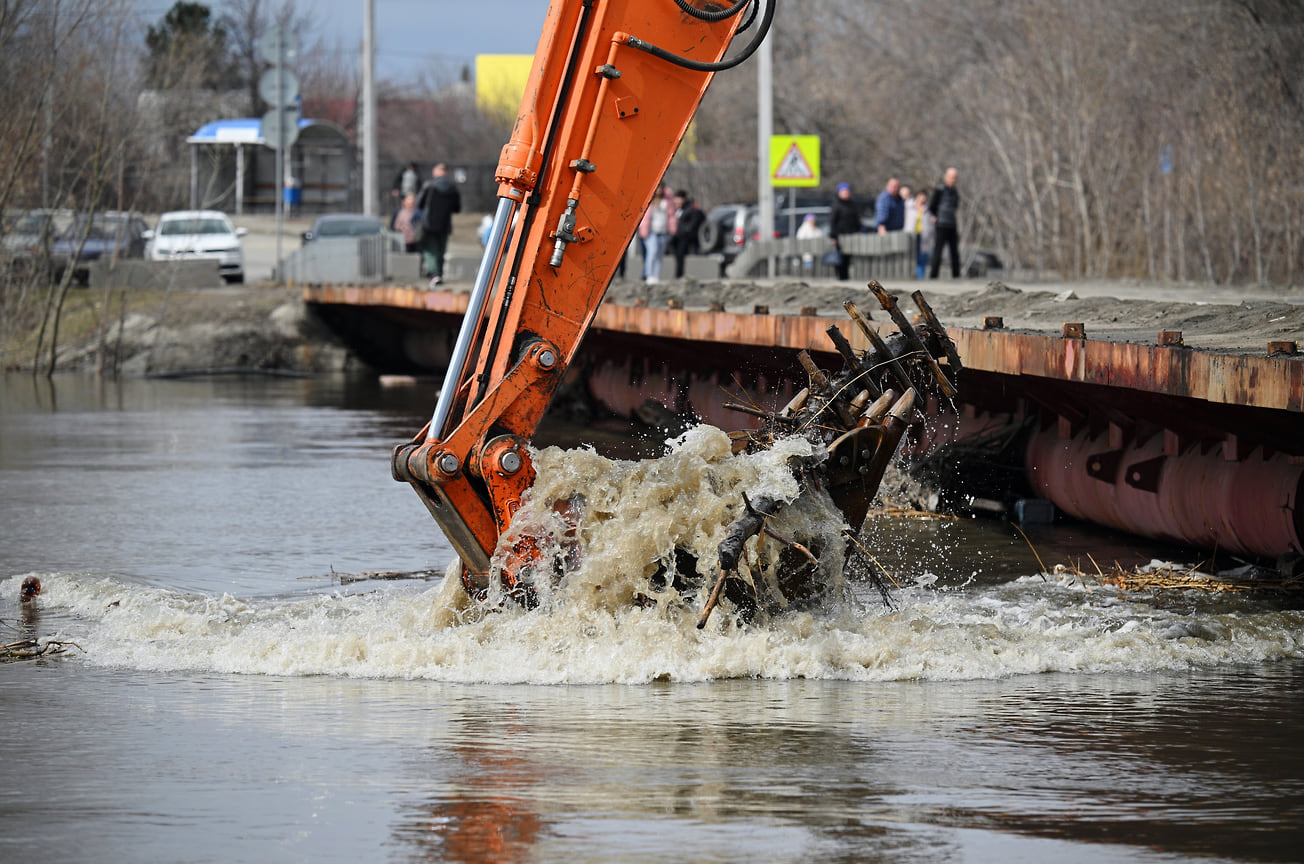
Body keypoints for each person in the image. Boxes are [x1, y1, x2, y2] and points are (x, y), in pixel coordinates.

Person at [415, 162, 461, 287]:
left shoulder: (429, 185)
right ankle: (439, 275)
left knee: (430, 250)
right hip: (445, 224)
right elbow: (457, 208)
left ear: (435, 173)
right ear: (446, 173)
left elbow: (419, 204)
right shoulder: (453, 188)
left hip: (429, 223)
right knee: (441, 250)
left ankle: (433, 274)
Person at [638, 183, 676, 283]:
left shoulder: (667, 200)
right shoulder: (650, 201)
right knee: (652, 252)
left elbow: (671, 215)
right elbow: (645, 217)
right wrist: (643, 230)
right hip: (651, 232)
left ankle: (656, 275)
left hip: (663, 231)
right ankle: (649, 274)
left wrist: (672, 228)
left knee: (659, 255)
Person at [928, 167, 961, 279]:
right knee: (938, 250)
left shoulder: (955, 191)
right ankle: (933, 276)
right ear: (946, 177)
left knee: (954, 252)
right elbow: (932, 206)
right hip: (941, 224)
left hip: (952, 224)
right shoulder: (939, 190)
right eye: (951, 177)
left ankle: (956, 275)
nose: (953, 179)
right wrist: (936, 216)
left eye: (955, 177)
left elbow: (955, 206)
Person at [829, 181, 861, 281]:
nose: (846, 193)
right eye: (844, 191)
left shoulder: (852, 204)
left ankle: (846, 276)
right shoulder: (836, 205)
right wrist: (833, 236)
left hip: (851, 235)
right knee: (840, 257)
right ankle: (840, 276)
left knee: (848, 257)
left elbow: (856, 219)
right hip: (840, 235)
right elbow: (832, 221)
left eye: (847, 191)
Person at [670, 189, 704, 279]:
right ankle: (678, 274)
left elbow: (693, 224)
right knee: (678, 256)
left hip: (686, 237)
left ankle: (679, 275)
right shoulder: (677, 209)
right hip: (678, 236)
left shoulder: (691, 209)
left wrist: (685, 231)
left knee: (681, 255)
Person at [912, 191, 934, 279]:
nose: (923, 198)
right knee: (913, 256)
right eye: (921, 196)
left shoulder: (928, 209)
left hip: (924, 235)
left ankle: (921, 276)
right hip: (912, 234)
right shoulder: (910, 207)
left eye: (924, 196)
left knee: (922, 256)